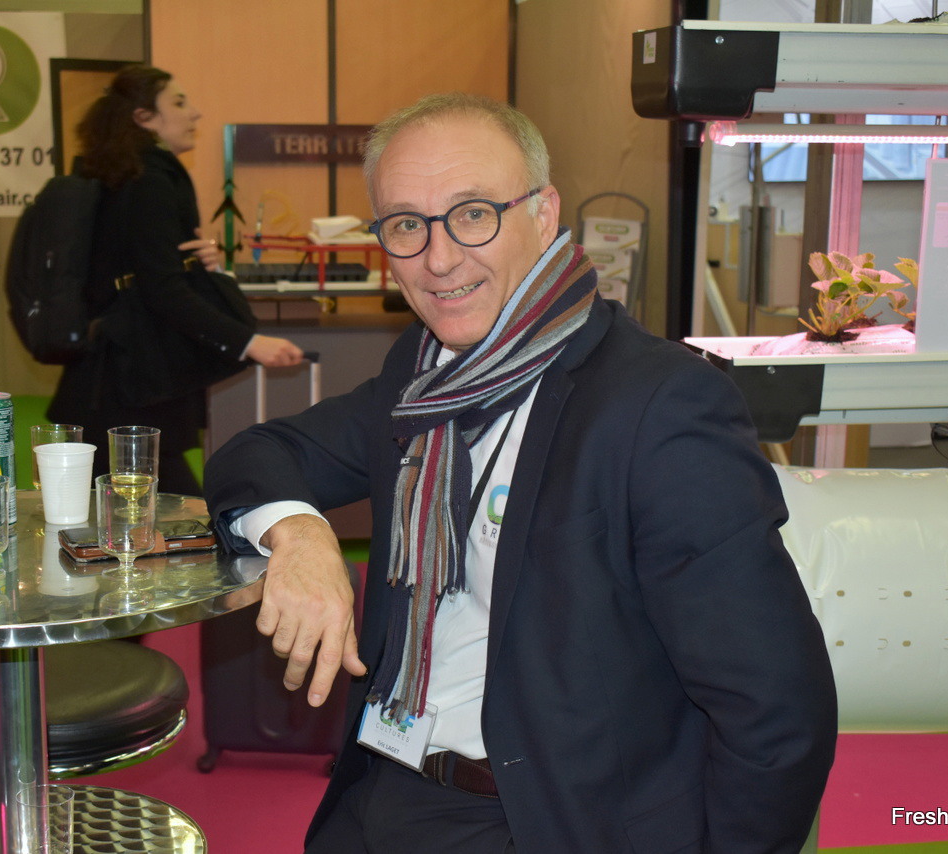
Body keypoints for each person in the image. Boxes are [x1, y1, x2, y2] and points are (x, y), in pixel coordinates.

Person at [204, 93, 838, 853]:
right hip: (381, 791)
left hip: (540, 822)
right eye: (406, 224)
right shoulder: (424, 374)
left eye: (474, 214)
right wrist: (301, 535)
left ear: (544, 213)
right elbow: (260, 452)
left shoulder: (658, 405)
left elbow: (775, 706)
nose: (439, 259)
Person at [46, 64, 303, 494]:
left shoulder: (124, 175)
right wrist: (248, 342)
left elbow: (146, 269)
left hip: (117, 376)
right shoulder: (150, 178)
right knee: (170, 509)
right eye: (179, 103)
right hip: (130, 381)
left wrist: (198, 265)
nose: (194, 113)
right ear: (144, 117)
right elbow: (161, 288)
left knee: (135, 508)